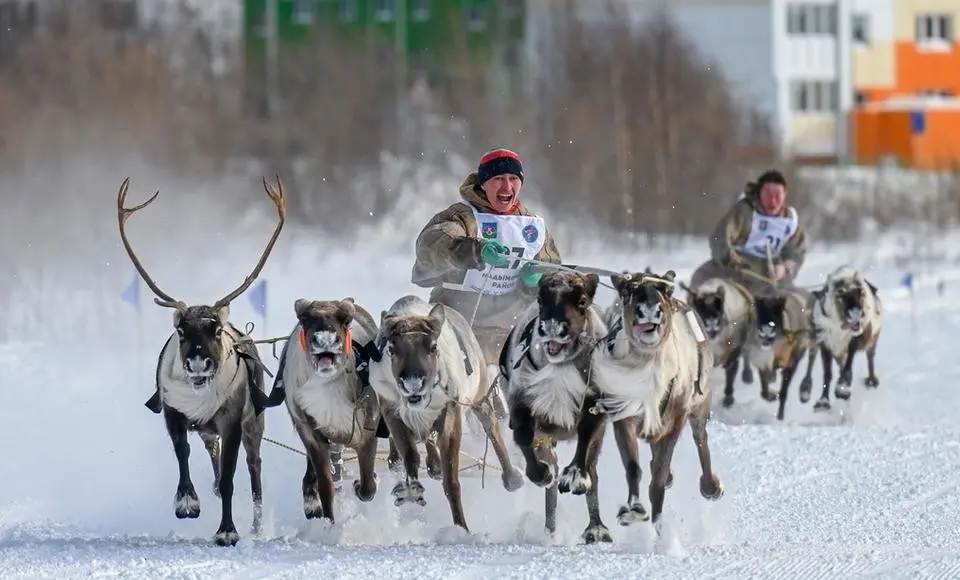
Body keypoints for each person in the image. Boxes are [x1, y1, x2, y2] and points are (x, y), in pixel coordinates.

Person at [410, 148, 562, 412]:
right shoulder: (462, 217)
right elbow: (431, 245)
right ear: (483, 183)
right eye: (498, 179)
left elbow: (554, 273)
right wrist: (474, 250)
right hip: (459, 326)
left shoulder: (531, 228)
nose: (507, 186)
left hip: (512, 332)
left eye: (513, 179)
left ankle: (536, 442)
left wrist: (535, 280)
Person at [688, 169, 808, 294]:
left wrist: (784, 268)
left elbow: (797, 253)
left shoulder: (789, 222)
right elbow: (719, 239)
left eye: (777, 195)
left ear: (785, 194)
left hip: (771, 277)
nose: (772, 201)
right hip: (736, 271)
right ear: (759, 192)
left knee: (801, 302)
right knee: (702, 284)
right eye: (768, 194)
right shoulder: (744, 213)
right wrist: (734, 263)